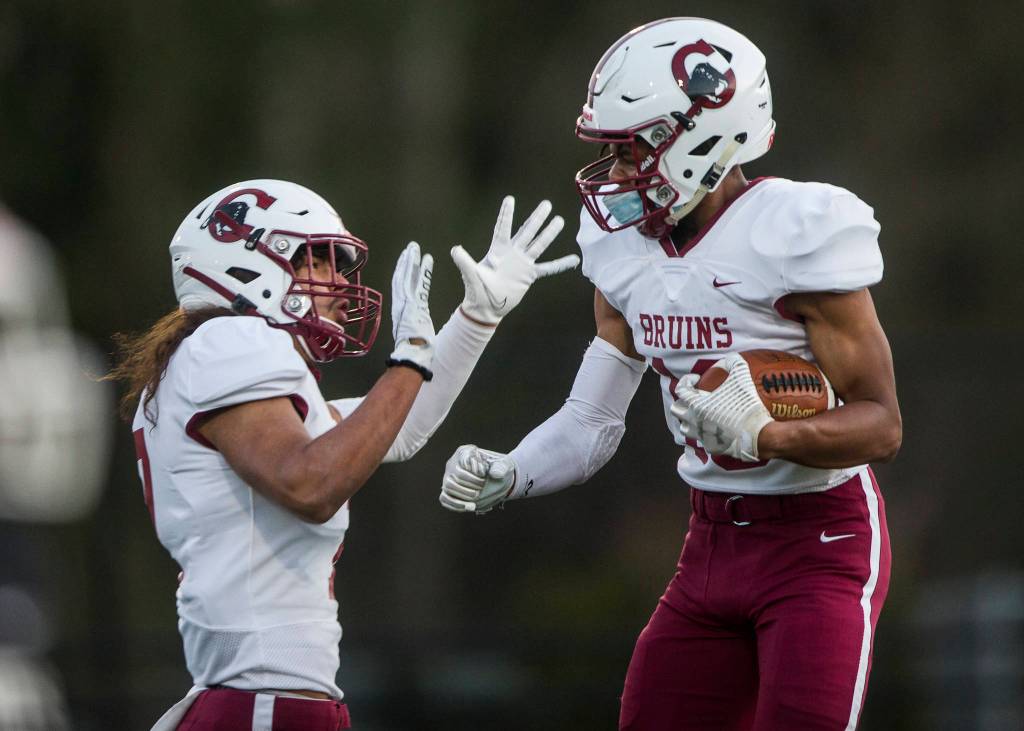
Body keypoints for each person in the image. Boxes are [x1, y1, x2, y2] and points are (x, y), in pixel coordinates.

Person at [439, 17, 901, 731]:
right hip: (710, 542)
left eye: (633, 149)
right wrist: (517, 470)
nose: (618, 173)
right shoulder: (621, 247)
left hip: (820, 543)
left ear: (708, 133)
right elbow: (591, 421)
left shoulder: (796, 230)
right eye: (614, 152)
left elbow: (882, 423)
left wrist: (769, 435)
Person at [105, 179, 576, 730]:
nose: (335, 284)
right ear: (249, 260)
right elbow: (312, 485)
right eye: (318, 261)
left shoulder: (212, 356)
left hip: (265, 697)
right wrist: (407, 362)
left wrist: (475, 320)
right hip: (264, 700)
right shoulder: (229, 342)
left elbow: (399, 428)